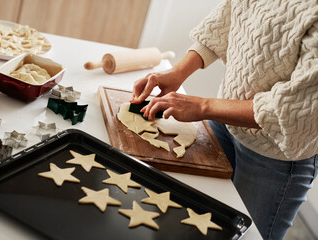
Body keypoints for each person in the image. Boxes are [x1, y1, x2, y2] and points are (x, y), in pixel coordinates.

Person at [130, 1, 318, 239]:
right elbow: (229, 15)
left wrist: (202, 106)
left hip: (275, 155)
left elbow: (293, 111)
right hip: (223, 121)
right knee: (195, 219)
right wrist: (178, 72)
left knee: (245, 235)